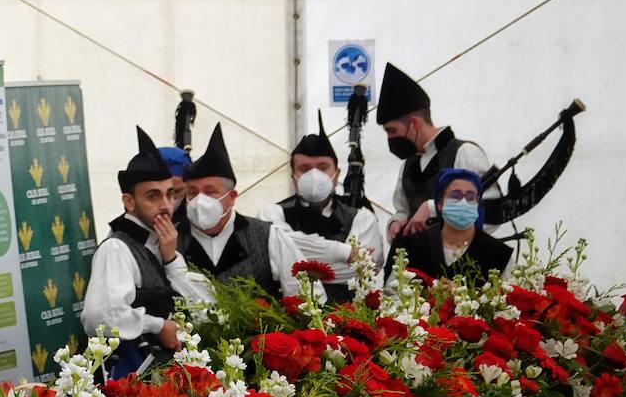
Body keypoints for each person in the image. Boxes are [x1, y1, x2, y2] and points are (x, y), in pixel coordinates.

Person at [82, 127, 211, 378]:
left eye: (170, 194)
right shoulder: (116, 248)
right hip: (128, 382)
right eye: (153, 196)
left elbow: (204, 309)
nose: (165, 205)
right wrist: (158, 325)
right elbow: (98, 317)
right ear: (129, 202)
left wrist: (171, 258)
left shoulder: (164, 242)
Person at [180, 124, 315, 299]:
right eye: (192, 193)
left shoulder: (267, 236)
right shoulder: (172, 240)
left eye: (210, 192)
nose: (200, 200)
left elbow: (304, 294)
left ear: (232, 197)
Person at [258, 116, 384, 303]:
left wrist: (292, 260)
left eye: (322, 167)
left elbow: (361, 272)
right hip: (286, 320)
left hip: (347, 319)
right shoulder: (271, 214)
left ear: (336, 174)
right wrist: (344, 253)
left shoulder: (362, 217)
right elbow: (270, 262)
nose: (314, 175)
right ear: (293, 176)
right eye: (305, 168)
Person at [377, 62, 495, 240]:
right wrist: (395, 223)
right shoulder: (408, 165)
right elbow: (402, 210)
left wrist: (434, 208)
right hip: (414, 263)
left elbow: (492, 211)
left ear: (414, 124)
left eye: (392, 131)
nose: (390, 139)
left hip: (459, 261)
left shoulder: (464, 153)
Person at [386, 168, 513, 282]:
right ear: (440, 203)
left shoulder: (498, 254)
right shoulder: (411, 247)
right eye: (455, 195)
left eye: (470, 197)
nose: (463, 202)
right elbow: (391, 295)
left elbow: (511, 299)